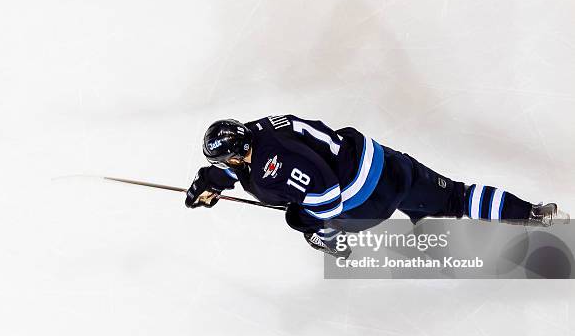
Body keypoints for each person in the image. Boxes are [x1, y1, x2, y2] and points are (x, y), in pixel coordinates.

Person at [185, 115, 569, 258]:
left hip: (364, 200)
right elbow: (246, 168)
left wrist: (307, 223)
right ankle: (530, 213)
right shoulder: (262, 128)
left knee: (302, 218)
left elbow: (326, 197)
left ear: (235, 157)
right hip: (386, 165)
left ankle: (331, 241)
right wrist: (211, 182)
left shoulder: (273, 168)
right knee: (456, 195)